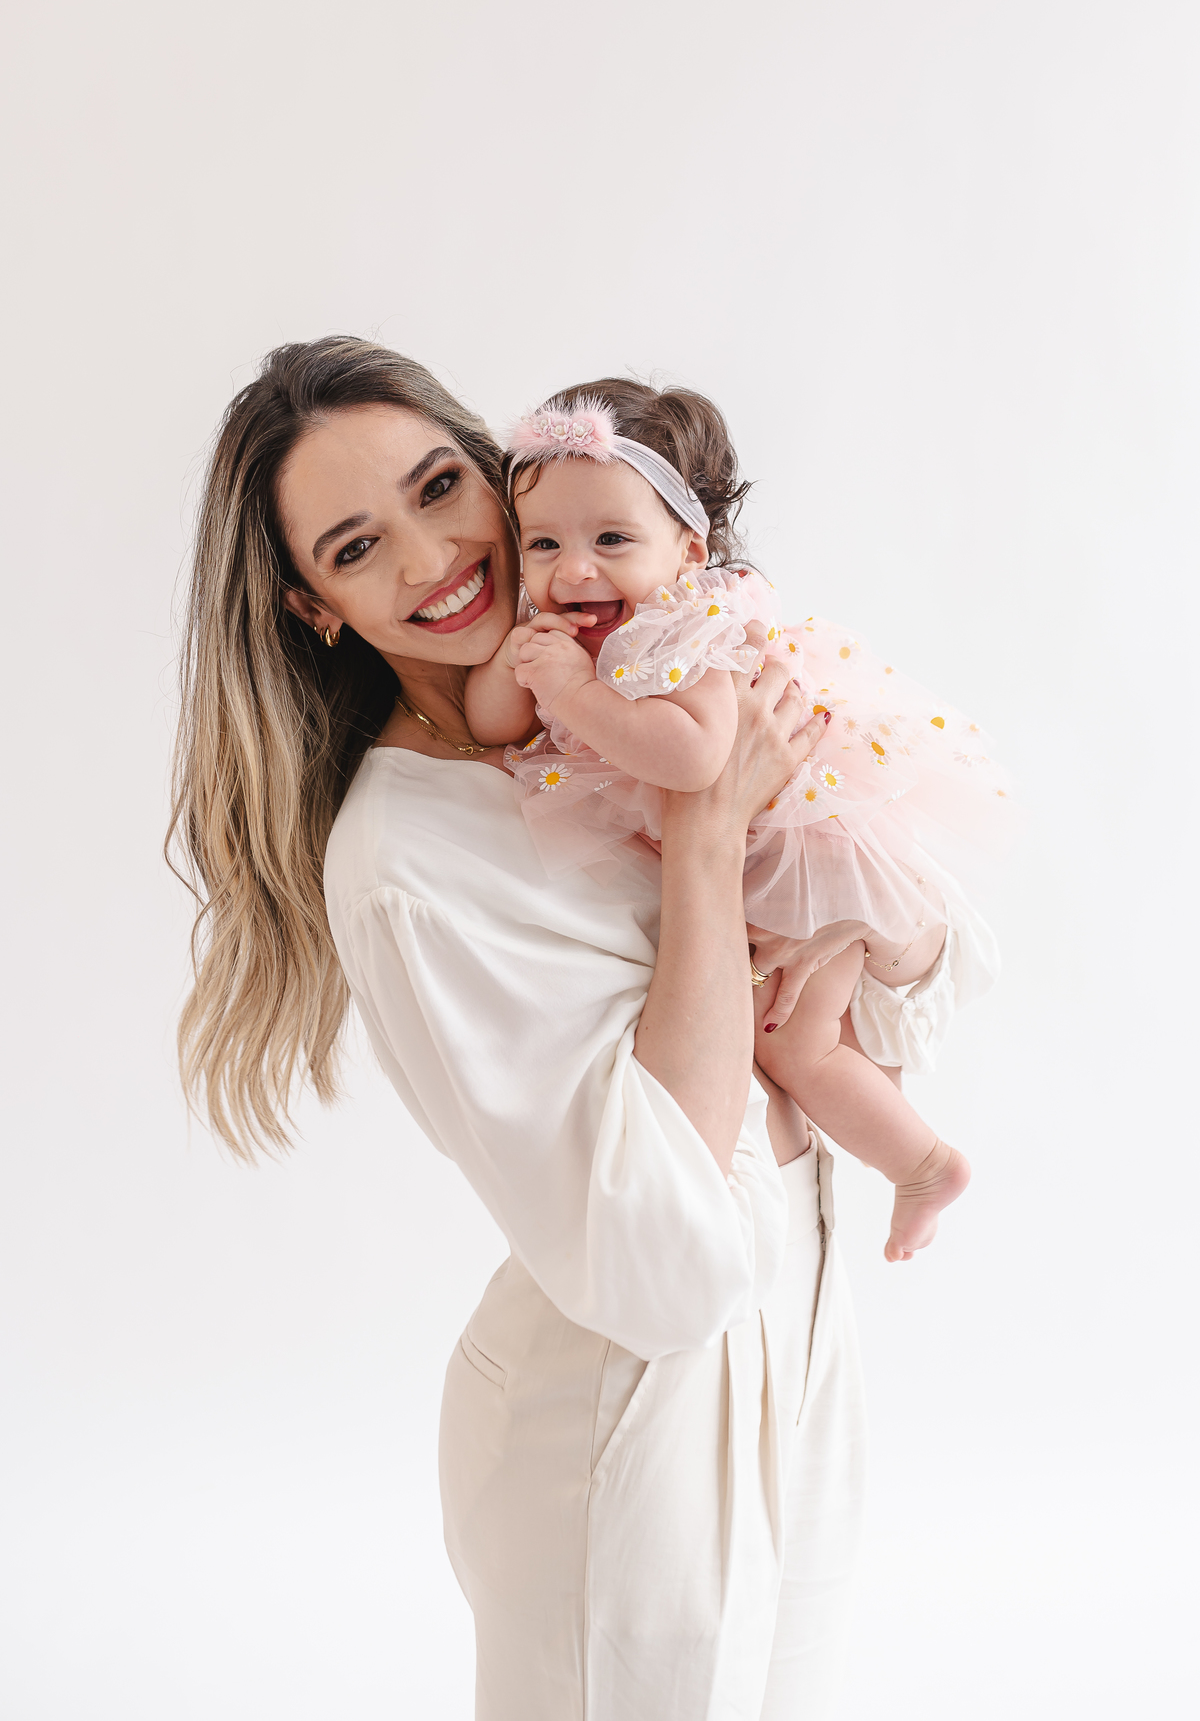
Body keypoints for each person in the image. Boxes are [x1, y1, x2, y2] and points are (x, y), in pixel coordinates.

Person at [169, 337, 986, 1720]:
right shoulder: (407, 860)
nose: (435, 557)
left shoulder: (601, 708)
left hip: (801, 1326)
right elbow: (657, 1253)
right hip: (632, 1416)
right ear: (315, 606)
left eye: (441, 486)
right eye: (359, 546)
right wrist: (710, 836)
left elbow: (922, 981)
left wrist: (857, 917)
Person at [465, 380, 1008, 1262]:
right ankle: (868, 1162)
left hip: (806, 859)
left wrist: (572, 690)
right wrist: (513, 658)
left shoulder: (688, 636)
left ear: (687, 550)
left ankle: (924, 1165)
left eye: (612, 540)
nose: (576, 570)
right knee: (791, 1041)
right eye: (545, 543)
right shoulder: (564, 630)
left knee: (793, 1048)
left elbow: (694, 758)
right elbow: (493, 722)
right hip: (747, 875)